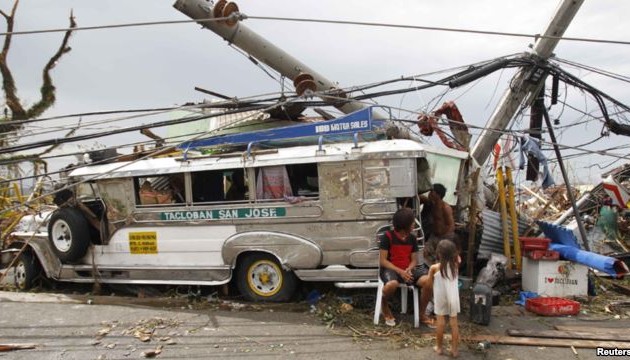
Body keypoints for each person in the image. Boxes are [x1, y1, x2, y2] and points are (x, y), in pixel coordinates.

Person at [418, 183, 456, 326]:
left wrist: (446, 242)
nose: (430, 193)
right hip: (433, 236)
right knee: (423, 254)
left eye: (432, 191)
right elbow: (420, 197)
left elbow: (451, 226)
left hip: (443, 237)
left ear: (437, 194)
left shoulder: (445, 207)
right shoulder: (431, 204)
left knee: (440, 264)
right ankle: (428, 276)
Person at [379, 207, 422, 326]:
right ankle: (384, 304)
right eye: (412, 222)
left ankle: (422, 314)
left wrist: (409, 268)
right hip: (391, 270)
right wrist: (400, 271)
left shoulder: (412, 238)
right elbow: (382, 261)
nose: (414, 224)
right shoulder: (387, 237)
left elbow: (414, 260)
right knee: (391, 284)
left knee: (429, 281)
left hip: (407, 270)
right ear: (405, 225)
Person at [429, 239, 461, 357]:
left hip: (440, 298)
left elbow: (428, 283)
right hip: (453, 298)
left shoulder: (434, 268)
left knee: (440, 322)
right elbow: (458, 258)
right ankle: (454, 350)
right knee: (454, 323)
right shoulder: (456, 266)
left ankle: (439, 347)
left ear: (439, 254)